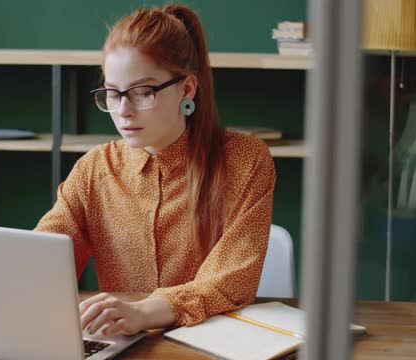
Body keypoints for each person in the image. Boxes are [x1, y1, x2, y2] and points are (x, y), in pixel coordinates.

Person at [35, 4, 276, 337]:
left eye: (143, 92)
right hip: (122, 343)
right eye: (112, 93)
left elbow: (232, 281)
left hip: (212, 345)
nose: (123, 111)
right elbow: (47, 254)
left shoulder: (245, 160)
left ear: (187, 89)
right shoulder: (94, 168)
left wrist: (144, 312)